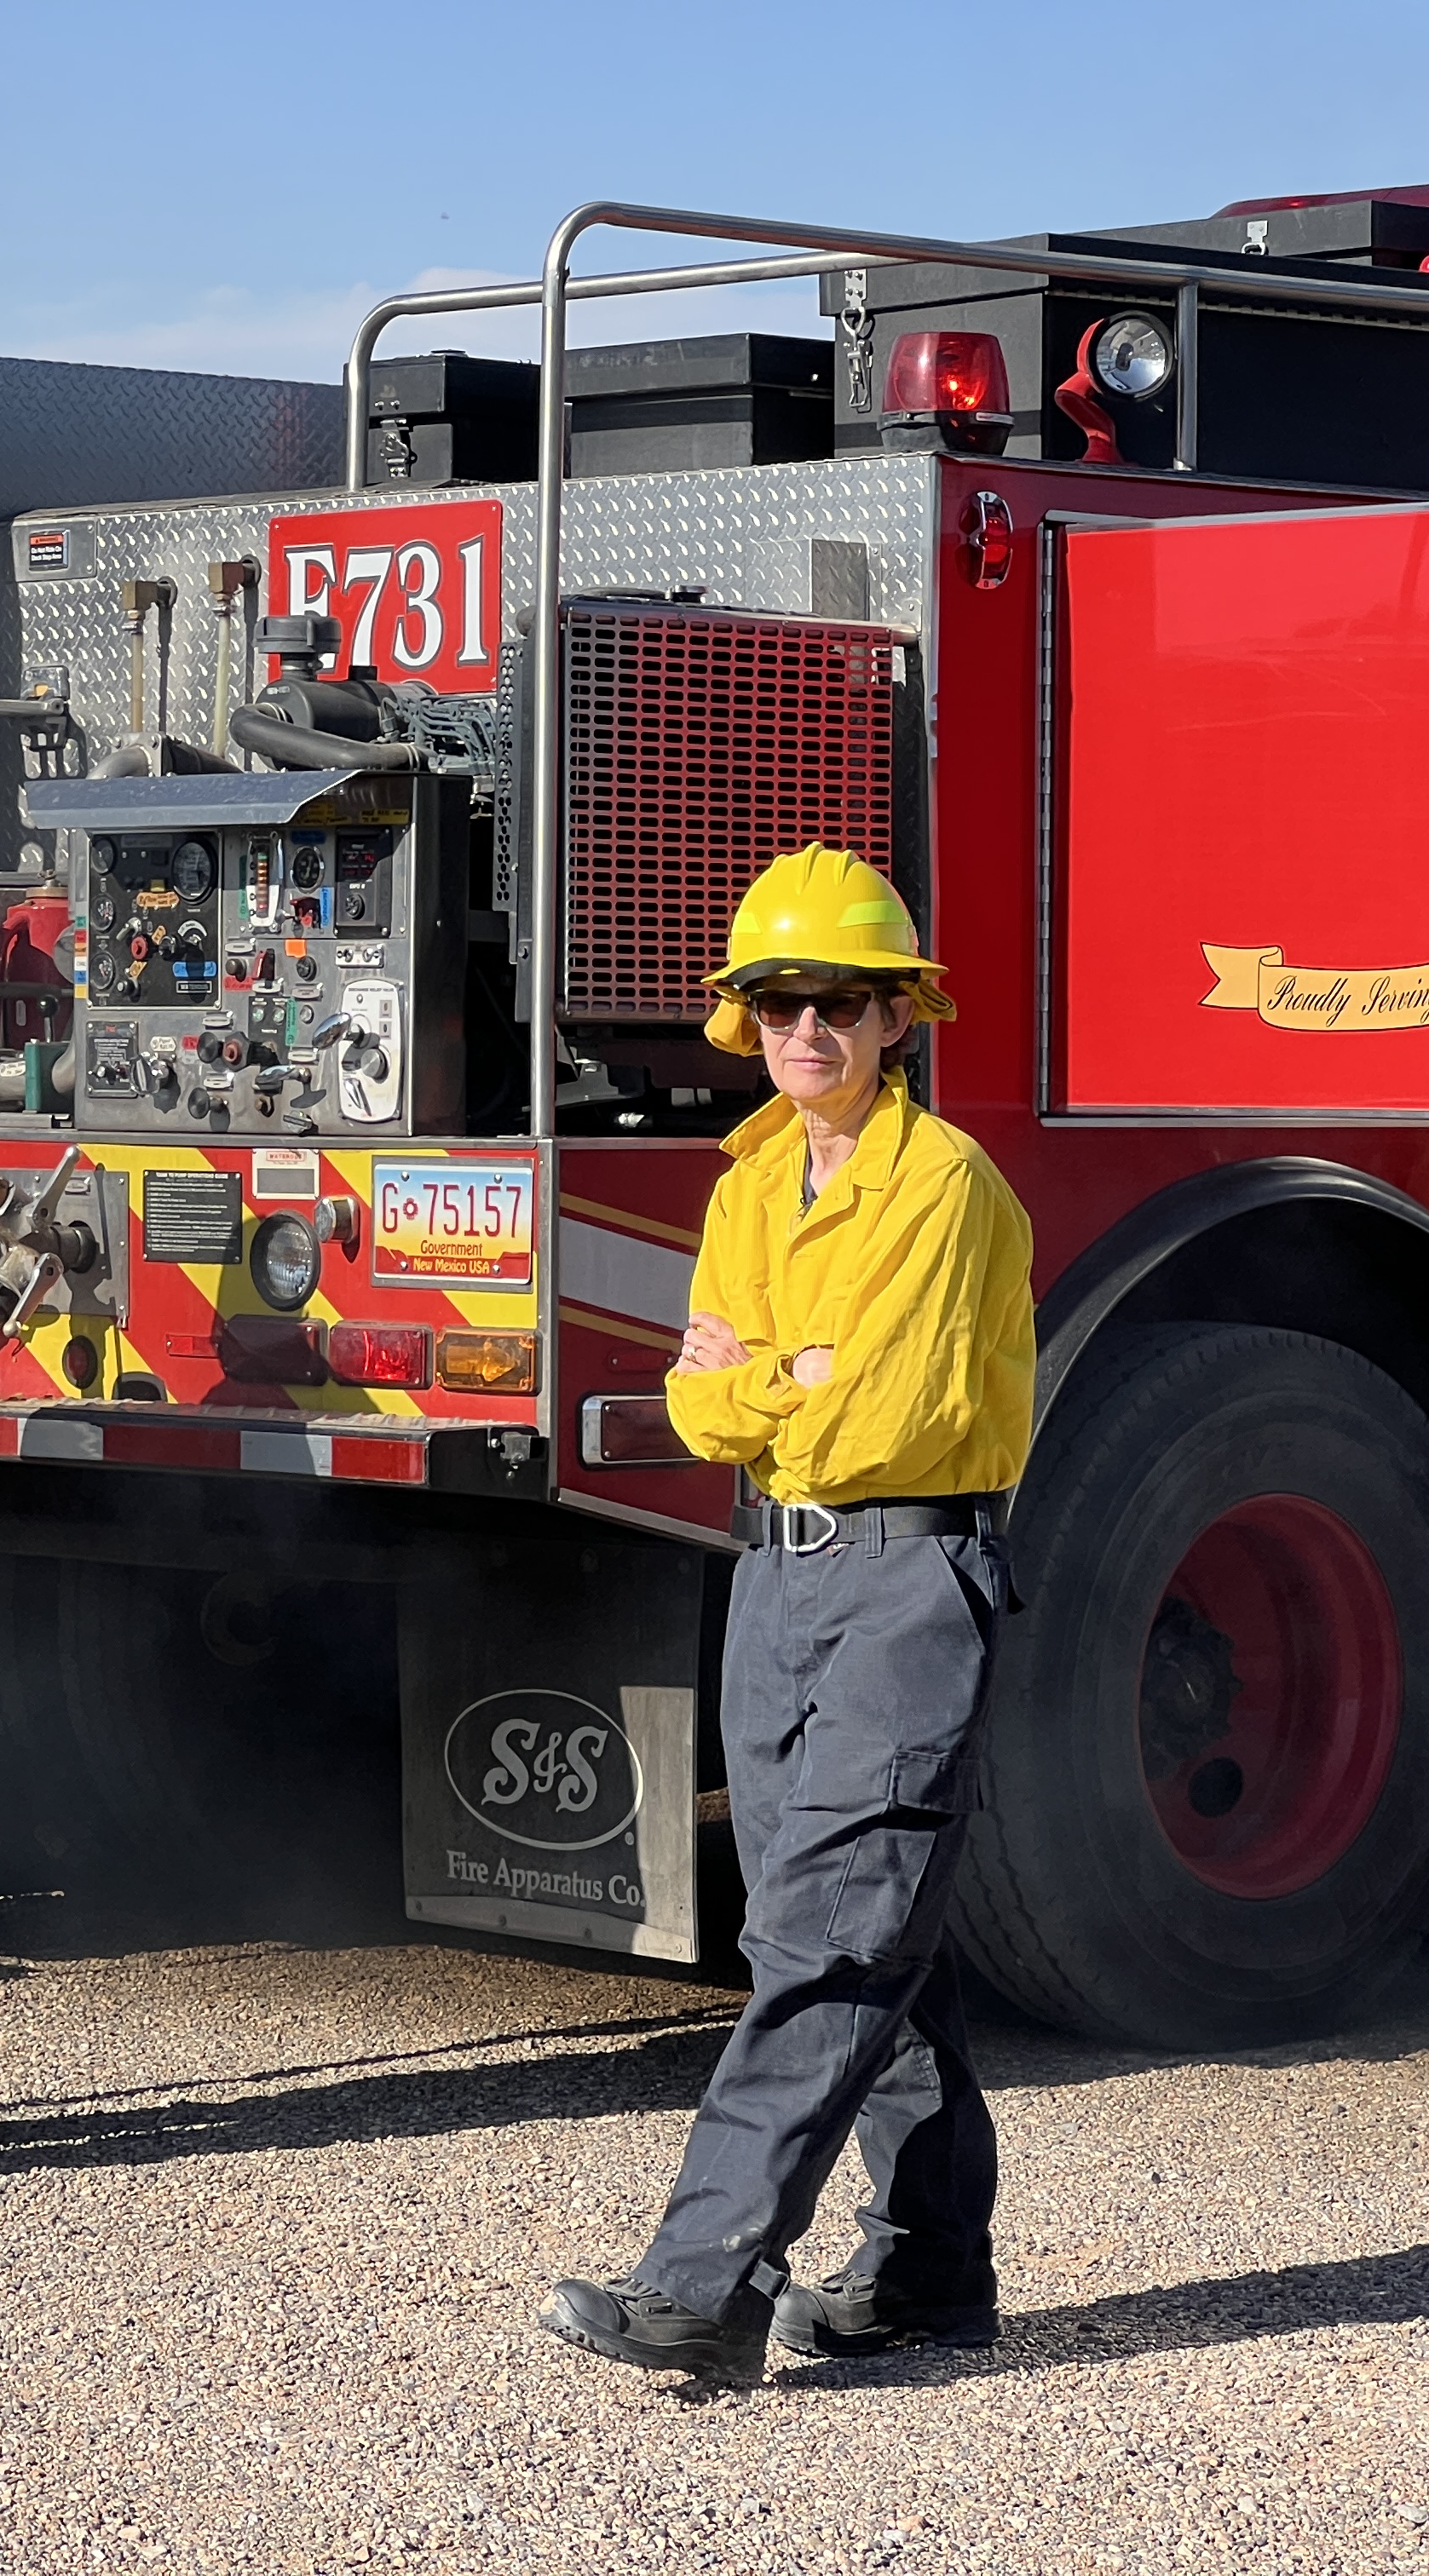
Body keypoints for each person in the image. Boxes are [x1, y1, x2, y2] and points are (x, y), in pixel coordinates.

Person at [539, 843, 1034, 2382]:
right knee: (849, 1929)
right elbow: (702, 1409)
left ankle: (703, 2281)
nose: (802, 1027)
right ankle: (930, 2271)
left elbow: (875, 1418)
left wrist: (762, 1386)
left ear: (900, 1018)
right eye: (773, 999)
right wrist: (775, 1384)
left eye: (837, 1000)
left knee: (831, 1933)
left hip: (902, 1575)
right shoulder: (753, 1176)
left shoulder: (944, 1185)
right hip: (772, 1575)